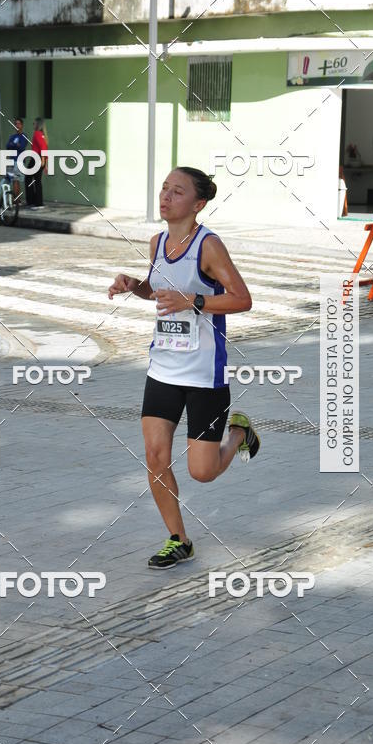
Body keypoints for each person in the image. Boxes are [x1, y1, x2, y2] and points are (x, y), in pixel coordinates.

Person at [108, 166, 260, 570]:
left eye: (177, 192)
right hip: (163, 368)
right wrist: (134, 285)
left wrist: (194, 301)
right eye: (164, 188)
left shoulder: (209, 246)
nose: (166, 196)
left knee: (202, 472)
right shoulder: (158, 242)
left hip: (204, 375)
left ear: (198, 204)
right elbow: (161, 293)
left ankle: (241, 433)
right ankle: (178, 539)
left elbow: (242, 299)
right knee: (156, 457)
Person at [27, 117, 48, 208]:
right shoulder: (42, 134)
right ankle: (37, 202)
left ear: (38, 124)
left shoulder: (37, 133)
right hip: (39, 159)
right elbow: (45, 148)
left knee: (28, 178)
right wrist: (45, 164)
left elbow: (43, 148)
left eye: (34, 123)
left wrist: (43, 160)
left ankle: (33, 201)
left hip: (36, 159)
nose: (33, 124)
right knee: (37, 180)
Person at [5, 117, 28, 203]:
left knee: (16, 180)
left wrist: (13, 145)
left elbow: (21, 147)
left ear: (22, 125)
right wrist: (15, 144)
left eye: (18, 124)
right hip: (12, 160)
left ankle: (15, 199)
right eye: (15, 124)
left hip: (19, 160)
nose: (17, 125)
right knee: (14, 180)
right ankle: (17, 199)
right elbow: (7, 146)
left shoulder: (24, 136)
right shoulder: (12, 136)